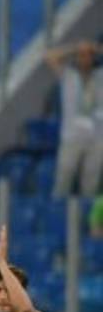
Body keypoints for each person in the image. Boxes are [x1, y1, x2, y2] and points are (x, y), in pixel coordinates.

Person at [45, 41, 103, 197]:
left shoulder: (100, 76)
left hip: (97, 138)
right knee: (63, 181)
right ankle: (58, 210)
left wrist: (95, 48)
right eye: (82, 55)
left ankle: (87, 213)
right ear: (76, 58)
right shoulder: (68, 75)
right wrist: (74, 48)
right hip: (72, 138)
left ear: (93, 58)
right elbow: (49, 57)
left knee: (91, 185)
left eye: (88, 55)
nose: (85, 59)